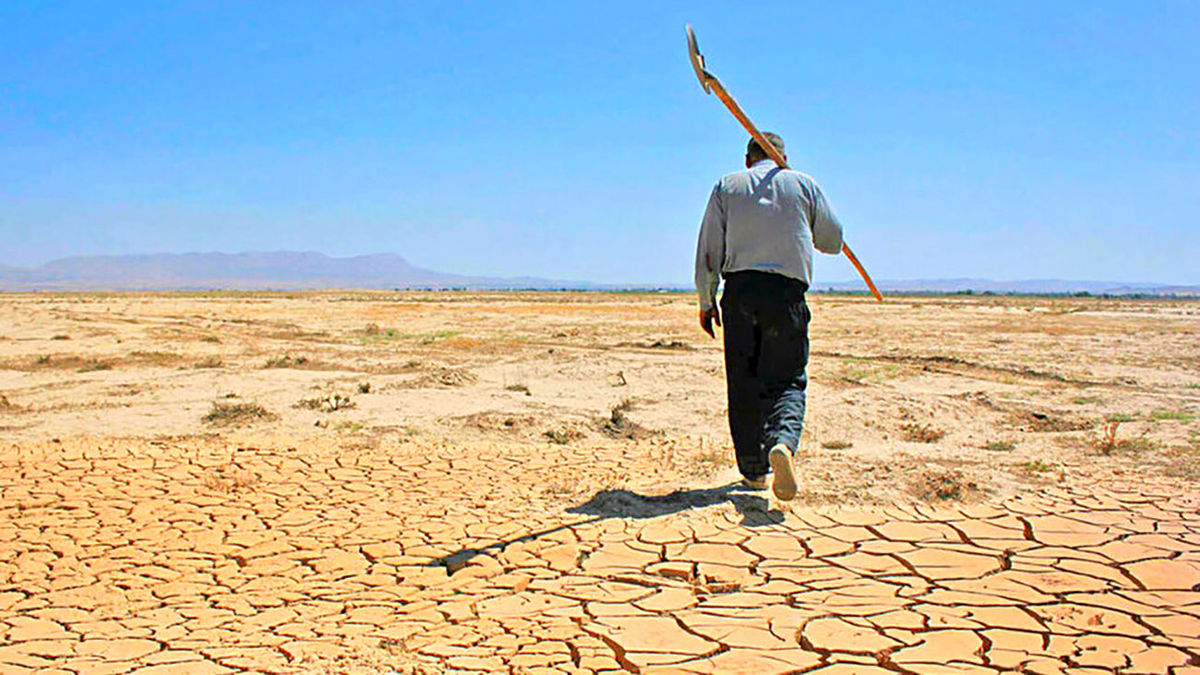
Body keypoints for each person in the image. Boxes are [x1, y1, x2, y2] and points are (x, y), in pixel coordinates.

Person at [694, 133, 844, 501]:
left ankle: (753, 471)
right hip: (786, 296)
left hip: (740, 295)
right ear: (782, 157)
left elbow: (709, 249)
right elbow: (833, 241)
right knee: (787, 381)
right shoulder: (803, 185)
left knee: (743, 383)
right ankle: (781, 443)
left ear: (748, 160)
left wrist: (705, 299)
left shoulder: (727, 186)